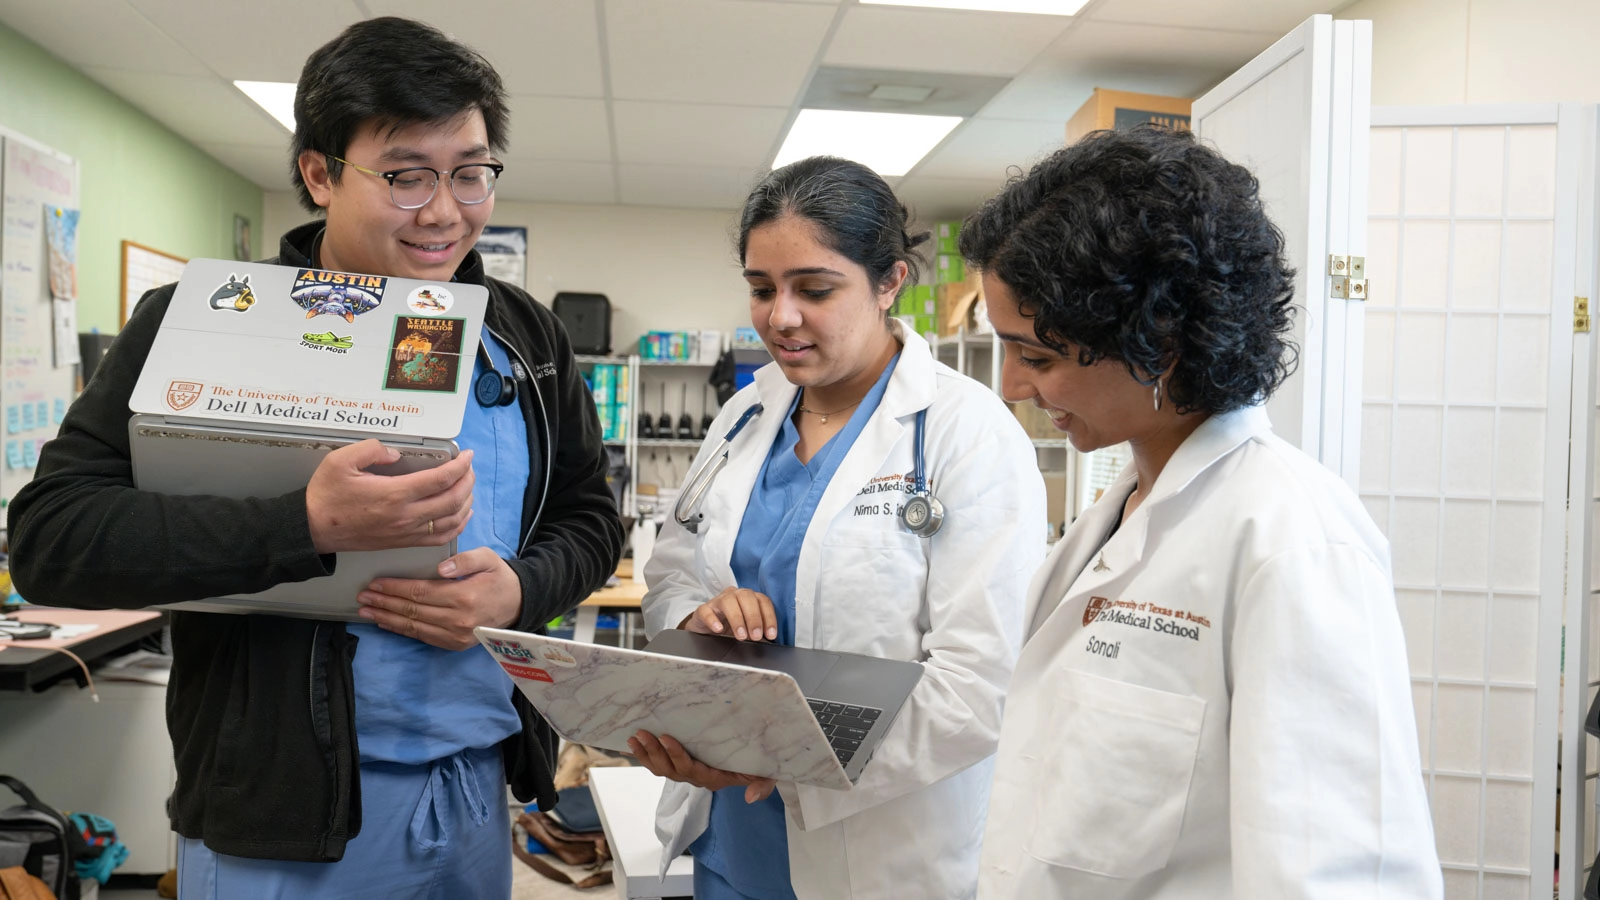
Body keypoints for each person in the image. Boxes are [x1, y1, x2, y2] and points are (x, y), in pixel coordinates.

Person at [5, 17, 624, 899]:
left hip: (475, 796)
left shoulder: (526, 340)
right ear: (319, 174)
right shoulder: (202, 323)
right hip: (284, 822)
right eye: (406, 175)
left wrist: (521, 589)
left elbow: (589, 519)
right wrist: (303, 524)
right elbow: (51, 542)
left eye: (471, 172)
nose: (446, 210)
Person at [962, 126, 1442, 898]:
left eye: (1038, 357)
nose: (1013, 386)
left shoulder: (1291, 541)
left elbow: (1339, 872)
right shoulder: (1114, 516)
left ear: (1158, 341)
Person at [627, 156, 1046, 900]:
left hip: (879, 845)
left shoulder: (968, 434)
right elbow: (671, 576)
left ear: (889, 283)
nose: (780, 317)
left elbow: (977, 687)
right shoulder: (744, 417)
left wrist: (783, 761)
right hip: (729, 831)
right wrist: (699, 614)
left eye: (814, 289)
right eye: (762, 289)